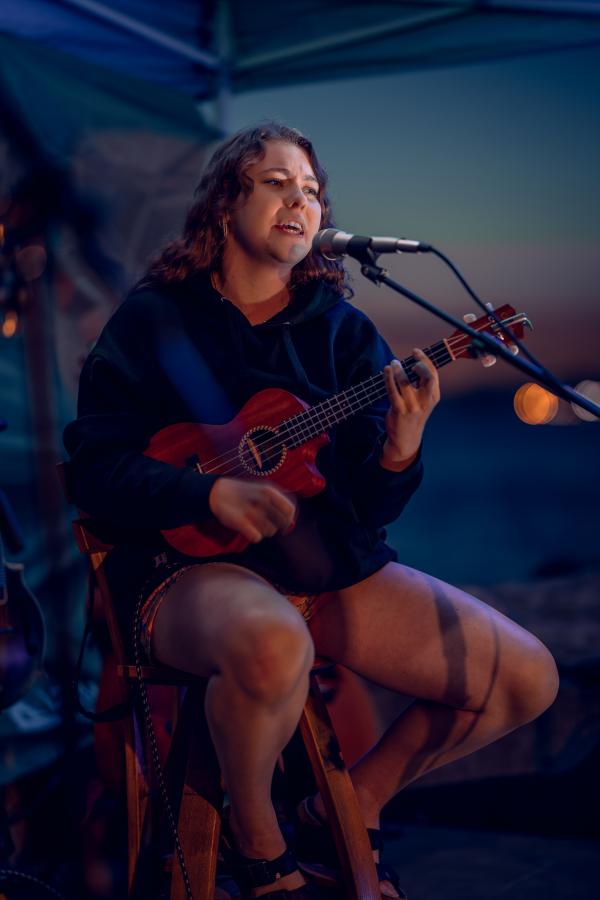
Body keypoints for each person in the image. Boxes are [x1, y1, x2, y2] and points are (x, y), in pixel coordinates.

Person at [64, 123, 559, 899]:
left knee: (524, 677)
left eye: (312, 191)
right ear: (225, 204)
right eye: (276, 183)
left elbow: (367, 515)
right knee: (272, 640)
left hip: (318, 570)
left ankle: (350, 805)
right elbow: (96, 469)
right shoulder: (156, 319)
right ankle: (260, 847)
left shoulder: (343, 333)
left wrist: (400, 450)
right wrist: (207, 492)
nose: (301, 201)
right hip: (184, 571)